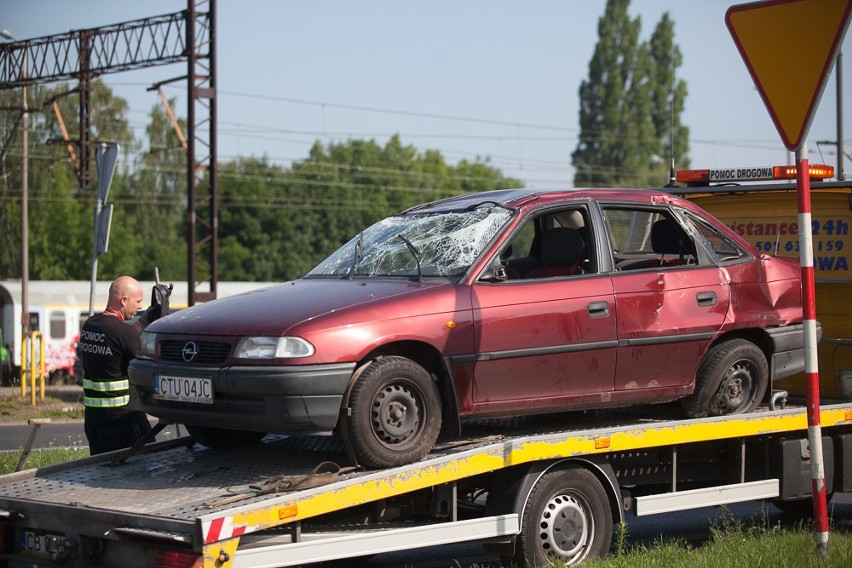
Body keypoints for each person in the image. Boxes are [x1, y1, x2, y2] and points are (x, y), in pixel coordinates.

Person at [77, 276, 171, 455]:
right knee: (143, 469)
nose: (140, 307)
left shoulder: (90, 325)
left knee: (102, 469)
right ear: (124, 300)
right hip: (126, 422)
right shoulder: (123, 332)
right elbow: (150, 362)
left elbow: (117, 339)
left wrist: (144, 321)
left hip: (95, 421)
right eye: (138, 301)